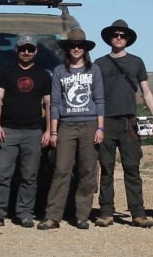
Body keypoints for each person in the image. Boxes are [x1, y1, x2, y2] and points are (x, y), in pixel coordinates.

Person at [93, 19, 153, 229]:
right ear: (110, 38)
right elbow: (93, 95)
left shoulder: (136, 62)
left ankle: (138, 213)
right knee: (106, 168)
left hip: (130, 122)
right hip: (107, 122)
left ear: (128, 39)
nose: (119, 38)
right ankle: (106, 212)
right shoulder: (99, 63)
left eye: (123, 35)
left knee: (132, 168)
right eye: (116, 35)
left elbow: (146, 92)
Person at [0, 35, 52, 229]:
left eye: (30, 49)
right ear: (17, 50)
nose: (26, 52)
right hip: (9, 131)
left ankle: (25, 213)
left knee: (30, 176)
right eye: (23, 49)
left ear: (36, 51)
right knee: (2, 174)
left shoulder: (44, 75)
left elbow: (49, 103)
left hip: (34, 132)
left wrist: (48, 130)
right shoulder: (4, 73)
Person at [39, 29, 105, 230]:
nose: (76, 48)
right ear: (67, 49)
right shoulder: (60, 71)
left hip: (90, 124)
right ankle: (53, 216)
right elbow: (55, 103)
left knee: (87, 170)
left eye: (80, 46)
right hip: (66, 125)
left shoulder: (94, 70)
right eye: (73, 45)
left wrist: (100, 127)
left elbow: (99, 100)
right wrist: (53, 131)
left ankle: (82, 215)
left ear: (85, 49)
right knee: (61, 170)